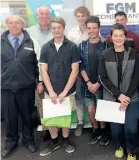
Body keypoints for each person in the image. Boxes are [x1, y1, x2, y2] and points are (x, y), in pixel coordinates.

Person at [99, 23, 139, 160]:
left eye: (121, 35)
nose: (118, 38)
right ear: (111, 37)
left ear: (125, 36)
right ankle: (120, 146)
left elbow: (136, 76)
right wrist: (118, 95)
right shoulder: (105, 54)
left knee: (131, 129)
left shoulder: (133, 53)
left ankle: (131, 150)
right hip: (112, 98)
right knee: (116, 130)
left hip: (131, 98)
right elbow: (102, 77)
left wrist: (126, 96)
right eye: (115, 35)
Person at [39, 17, 80, 156]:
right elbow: (43, 70)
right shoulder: (45, 47)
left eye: (59, 27)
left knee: (65, 117)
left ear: (64, 28)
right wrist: (50, 91)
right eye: (54, 28)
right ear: (51, 29)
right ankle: (54, 141)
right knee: (51, 117)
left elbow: (75, 71)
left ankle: (66, 139)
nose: (56, 30)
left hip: (67, 91)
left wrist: (64, 92)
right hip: (49, 90)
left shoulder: (72, 47)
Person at [1, 15, 39, 158]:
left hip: (26, 86)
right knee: (9, 118)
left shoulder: (32, 42)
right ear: (7, 25)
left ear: (22, 25)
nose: (14, 25)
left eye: (17, 23)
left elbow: (38, 64)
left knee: (27, 116)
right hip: (6, 87)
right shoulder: (0, 41)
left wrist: (39, 82)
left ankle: (29, 140)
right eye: (10, 23)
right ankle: (11, 142)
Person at [78, 16, 109, 145]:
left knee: (101, 109)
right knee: (91, 109)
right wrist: (88, 83)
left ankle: (104, 131)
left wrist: (98, 83)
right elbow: (81, 66)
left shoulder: (107, 45)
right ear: (86, 28)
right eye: (89, 28)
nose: (91, 30)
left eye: (94, 28)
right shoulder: (81, 45)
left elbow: (108, 67)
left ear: (99, 28)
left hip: (102, 84)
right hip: (88, 84)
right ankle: (95, 130)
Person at [26, 5, 52, 141]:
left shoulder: (56, 29)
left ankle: (56, 127)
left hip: (55, 74)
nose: (44, 17)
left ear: (50, 15)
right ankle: (46, 127)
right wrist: (39, 80)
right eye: (41, 14)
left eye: (46, 14)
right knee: (42, 103)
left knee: (55, 101)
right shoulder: (28, 32)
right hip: (38, 74)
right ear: (37, 15)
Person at [67, 6, 90, 137]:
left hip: (90, 68)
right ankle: (80, 122)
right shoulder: (71, 32)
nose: (81, 18)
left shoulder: (92, 30)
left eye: (83, 16)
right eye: (79, 16)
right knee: (79, 96)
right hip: (76, 69)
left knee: (93, 96)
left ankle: (97, 123)